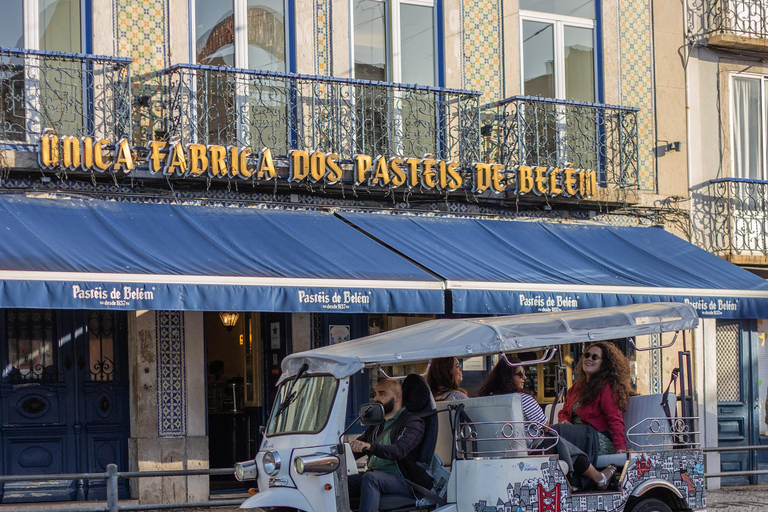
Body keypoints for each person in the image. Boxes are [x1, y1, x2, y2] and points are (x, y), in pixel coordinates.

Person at [553, 341, 632, 490]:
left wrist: (620, 447)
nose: (589, 359)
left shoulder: (606, 387)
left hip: (597, 438)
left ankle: (589, 478)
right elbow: (564, 411)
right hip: (578, 436)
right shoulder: (576, 388)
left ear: (604, 363)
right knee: (553, 439)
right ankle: (597, 477)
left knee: (556, 433)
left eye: (595, 357)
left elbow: (615, 419)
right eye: (587, 355)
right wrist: (564, 420)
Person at [348, 379, 432, 512]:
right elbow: (357, 448)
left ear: (397, 397)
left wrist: (370, 446)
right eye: (375, 394)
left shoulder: (413, 423)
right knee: (340, 482)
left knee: (371, 479)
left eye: (382, 394)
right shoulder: (377, 425)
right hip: (377, 475)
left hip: (403, 479)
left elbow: (399, 450)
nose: (376, 398)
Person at [478, 356, 546, 424]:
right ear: (508, 377)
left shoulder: (487, 399)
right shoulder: (522, 399)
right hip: (521, 434)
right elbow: (544, 426)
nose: (524, 377)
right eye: (520, 374)